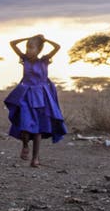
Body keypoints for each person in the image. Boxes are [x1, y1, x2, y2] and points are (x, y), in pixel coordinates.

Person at [4, 34, 66, 167]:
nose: (28, 50)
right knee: (25, 125)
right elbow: (12, 42)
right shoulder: (24, 59)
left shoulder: (44, 60)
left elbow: (57, 47)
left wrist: (44, 40)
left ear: (39, 50)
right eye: (28, 48)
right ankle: (25, 145)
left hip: (41, 97)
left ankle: (35, 159)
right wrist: (27, 38)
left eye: (32, 48)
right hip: (25, 95)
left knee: (39, 129)